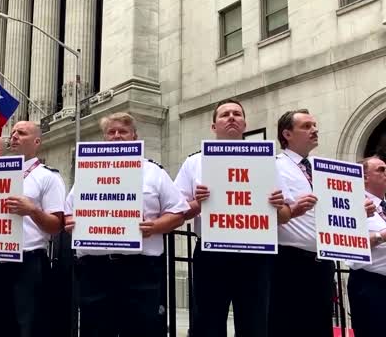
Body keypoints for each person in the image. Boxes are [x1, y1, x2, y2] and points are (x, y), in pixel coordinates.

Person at [63, 112, 190, 336]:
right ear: (104, 139)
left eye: (123, 132)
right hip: (96, 271)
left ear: (134, 137)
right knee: (96, 330)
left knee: (142, 330)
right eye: (111, 132)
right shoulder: (88, 174)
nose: (117, 136)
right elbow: (68, 212)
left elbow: (178, 212)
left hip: (140, 271)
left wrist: (156, 226)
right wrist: (71, 221)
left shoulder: (154, 172)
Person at [174, 99, 290, 337]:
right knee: (207, 321)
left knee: (254, 323)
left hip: (255, 255)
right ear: (214, 126)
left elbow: (284, 216)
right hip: (211, 254)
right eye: (225, 114)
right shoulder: (194, 162)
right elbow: (178, 211)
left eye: (237, 114)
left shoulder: (267, 161)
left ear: (245, 124)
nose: (231, 117)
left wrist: (277, 206)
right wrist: (199, 203)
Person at [270, 109, 374, 337]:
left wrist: (358, 212)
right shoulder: (274, 165)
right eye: (306, 126)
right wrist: (292, 209)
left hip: (322, 263)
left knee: (319, 327)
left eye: (315, 125)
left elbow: (335, 211)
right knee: (287, 327)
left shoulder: (323, 169)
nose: (314, 130)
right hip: (288, 262)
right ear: (287, 133)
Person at [0, 122, 66, 337]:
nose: (15, 136)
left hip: (28, 262)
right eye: (13, 133)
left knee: (27, 325)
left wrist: (33, 210)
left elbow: (57, 226)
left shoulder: (48, 176)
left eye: (22, 133)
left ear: (37, 142)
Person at [347, 156, 386, 337]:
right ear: (364, 177)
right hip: (371, 286)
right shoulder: (352, 205)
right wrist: (381, 236)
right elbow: (347, 243)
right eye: (381, 169)